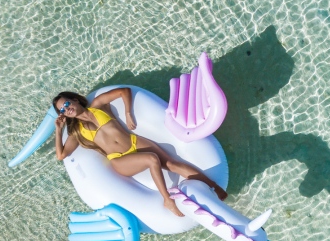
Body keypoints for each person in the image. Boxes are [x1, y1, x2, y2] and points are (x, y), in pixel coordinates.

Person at [52, 88, 227, 217]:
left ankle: (215, 186)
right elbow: (61, 155)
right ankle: (167, 200)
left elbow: (124, 91)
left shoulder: (98, 105)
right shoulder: (76, 132)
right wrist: (59, 131)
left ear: (75, 100)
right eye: (62, 110)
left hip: (134, 142)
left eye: (67, 104)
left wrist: (128, 113)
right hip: (119, 159)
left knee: (172, 164)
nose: (67, 109)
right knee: (152, 159)